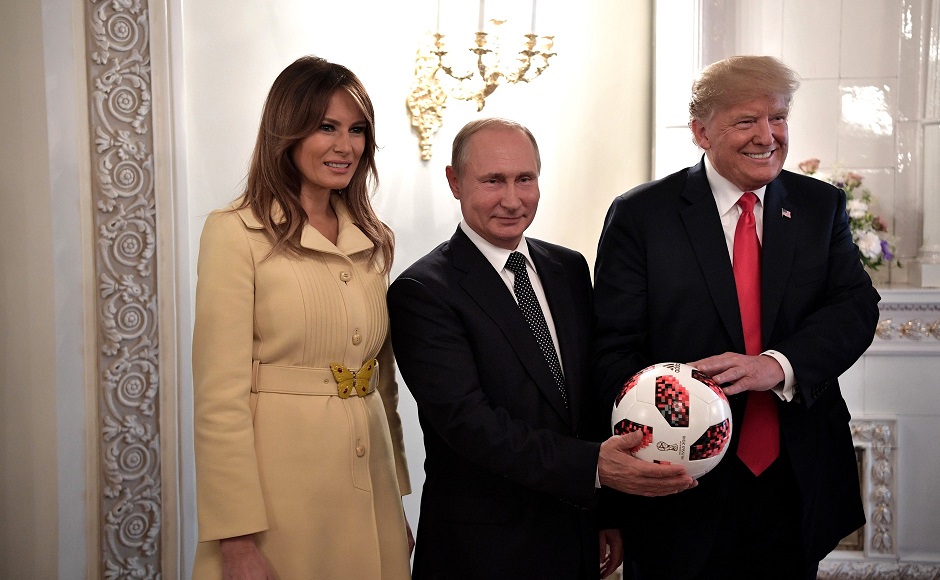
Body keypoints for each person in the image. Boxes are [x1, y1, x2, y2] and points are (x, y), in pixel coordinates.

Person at [593, 55, 880, 579]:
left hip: (793, 481)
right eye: (746, 121)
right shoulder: (642, 216)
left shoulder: (820, 206)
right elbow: (612, 349)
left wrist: (777, 366)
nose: (767, 136)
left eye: (777, 118)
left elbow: (856, 309)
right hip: (681, 486)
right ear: (701, 132)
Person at [387, 118, 696, 579]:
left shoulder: (568, 268)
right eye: (493, 180)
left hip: (573, 536)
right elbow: (470, 424)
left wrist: (606, 511)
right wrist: (595, 467)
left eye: (524, 179)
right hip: (481, 549)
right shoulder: (422, 290)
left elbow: (586, 398)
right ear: (455, 181)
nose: (512, 199)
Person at [191, 55, 413, 579]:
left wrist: (396, 501)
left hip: (370, 490)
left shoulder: (373, 240)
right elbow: (218, 400)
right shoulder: (233, 233)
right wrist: (237, 540)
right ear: (285, 131)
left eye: (357, 130)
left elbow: (384, 386)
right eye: (326, 127)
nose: (346, 146)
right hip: (278, 507)